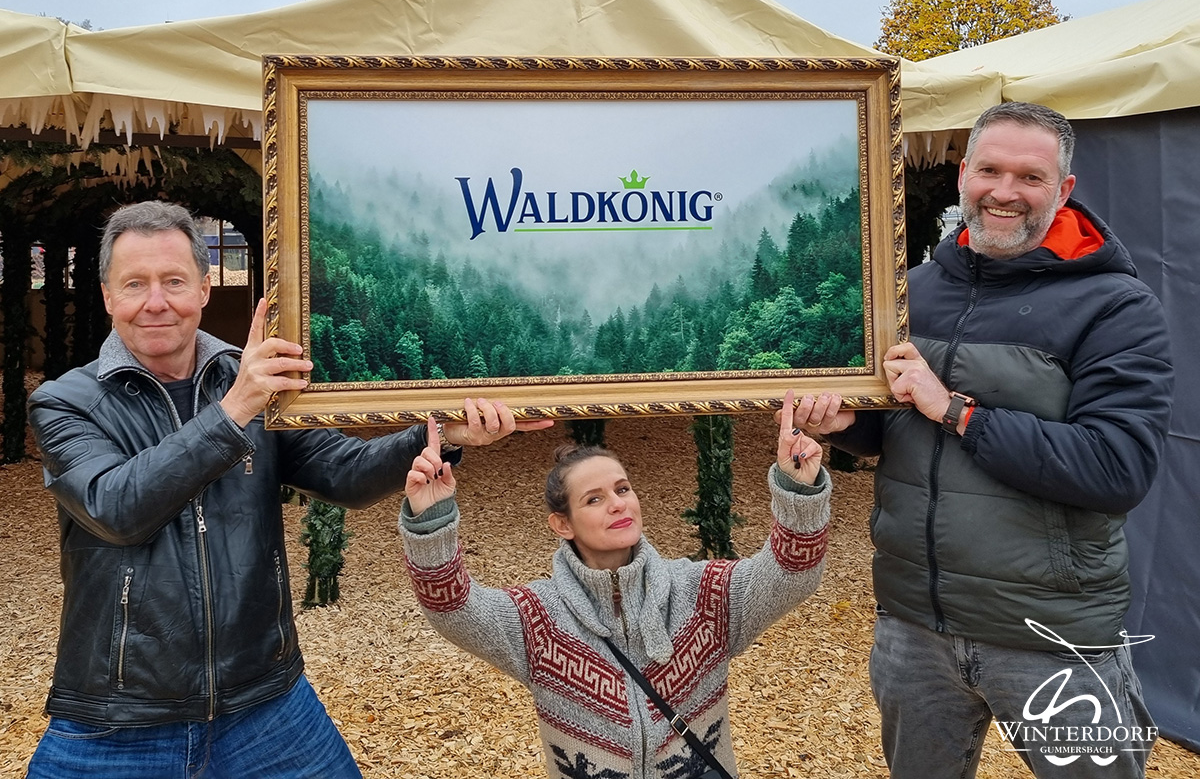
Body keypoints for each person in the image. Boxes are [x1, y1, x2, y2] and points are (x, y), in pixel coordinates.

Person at [25, 200, 551, 779]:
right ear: (107, 296)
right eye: (135, 284)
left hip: (266, 704)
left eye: (174, 281)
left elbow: (345, 472)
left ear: (204, 288)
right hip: (114, 718)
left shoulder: (254, 384)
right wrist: (235, 410)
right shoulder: (67, 402)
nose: (156, 301)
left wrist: (440, 434)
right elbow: (117, 507)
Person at [792, 103, 1173, 779]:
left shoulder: (1116, 307)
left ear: (1064, 190)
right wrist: (844, 425)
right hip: (914, 624)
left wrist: (959, 412)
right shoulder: (914, 291)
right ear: (963, 174)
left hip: (1052, 633)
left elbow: (1118, 468)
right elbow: (896, 425)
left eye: (1030, 176)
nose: (1004, 191)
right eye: (990, 169)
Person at [399, 389, 832, 779]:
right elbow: (454, 609)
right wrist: (432, 521)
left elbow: (789, 574)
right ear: (561, 523)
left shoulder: (704, 595)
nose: (618, 504)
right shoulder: (536, 621)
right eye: (594, 498)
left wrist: (798, 485)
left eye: (622, 488)